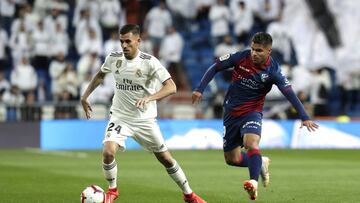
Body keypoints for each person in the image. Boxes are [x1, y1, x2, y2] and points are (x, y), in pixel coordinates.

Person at [80, 24, 206, 203]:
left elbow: (171, 87)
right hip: (120, 117)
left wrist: (149, 98)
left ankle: (189, 195)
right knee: (108, 152)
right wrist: (85, 96)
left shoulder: (150, 62)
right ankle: (113, 191)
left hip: (144, 120)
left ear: (138, 41)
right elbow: (100, 75)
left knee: (165, 159)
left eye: (128, 42)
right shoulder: (113, 58)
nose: (124, 46)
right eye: (121, 41)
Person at [192, 32, 319, 201]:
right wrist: (200, 89)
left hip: (252, 112)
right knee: (232, 159)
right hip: (231, 112)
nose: (254, 53)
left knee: (251, 143)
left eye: (259, 50)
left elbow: (289, 92)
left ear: (269, 52)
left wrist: (304, 116)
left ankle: (253, 182)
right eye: (253, 49)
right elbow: (215, 67)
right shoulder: (241, 57)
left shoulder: (273, 71)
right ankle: (260, 162)